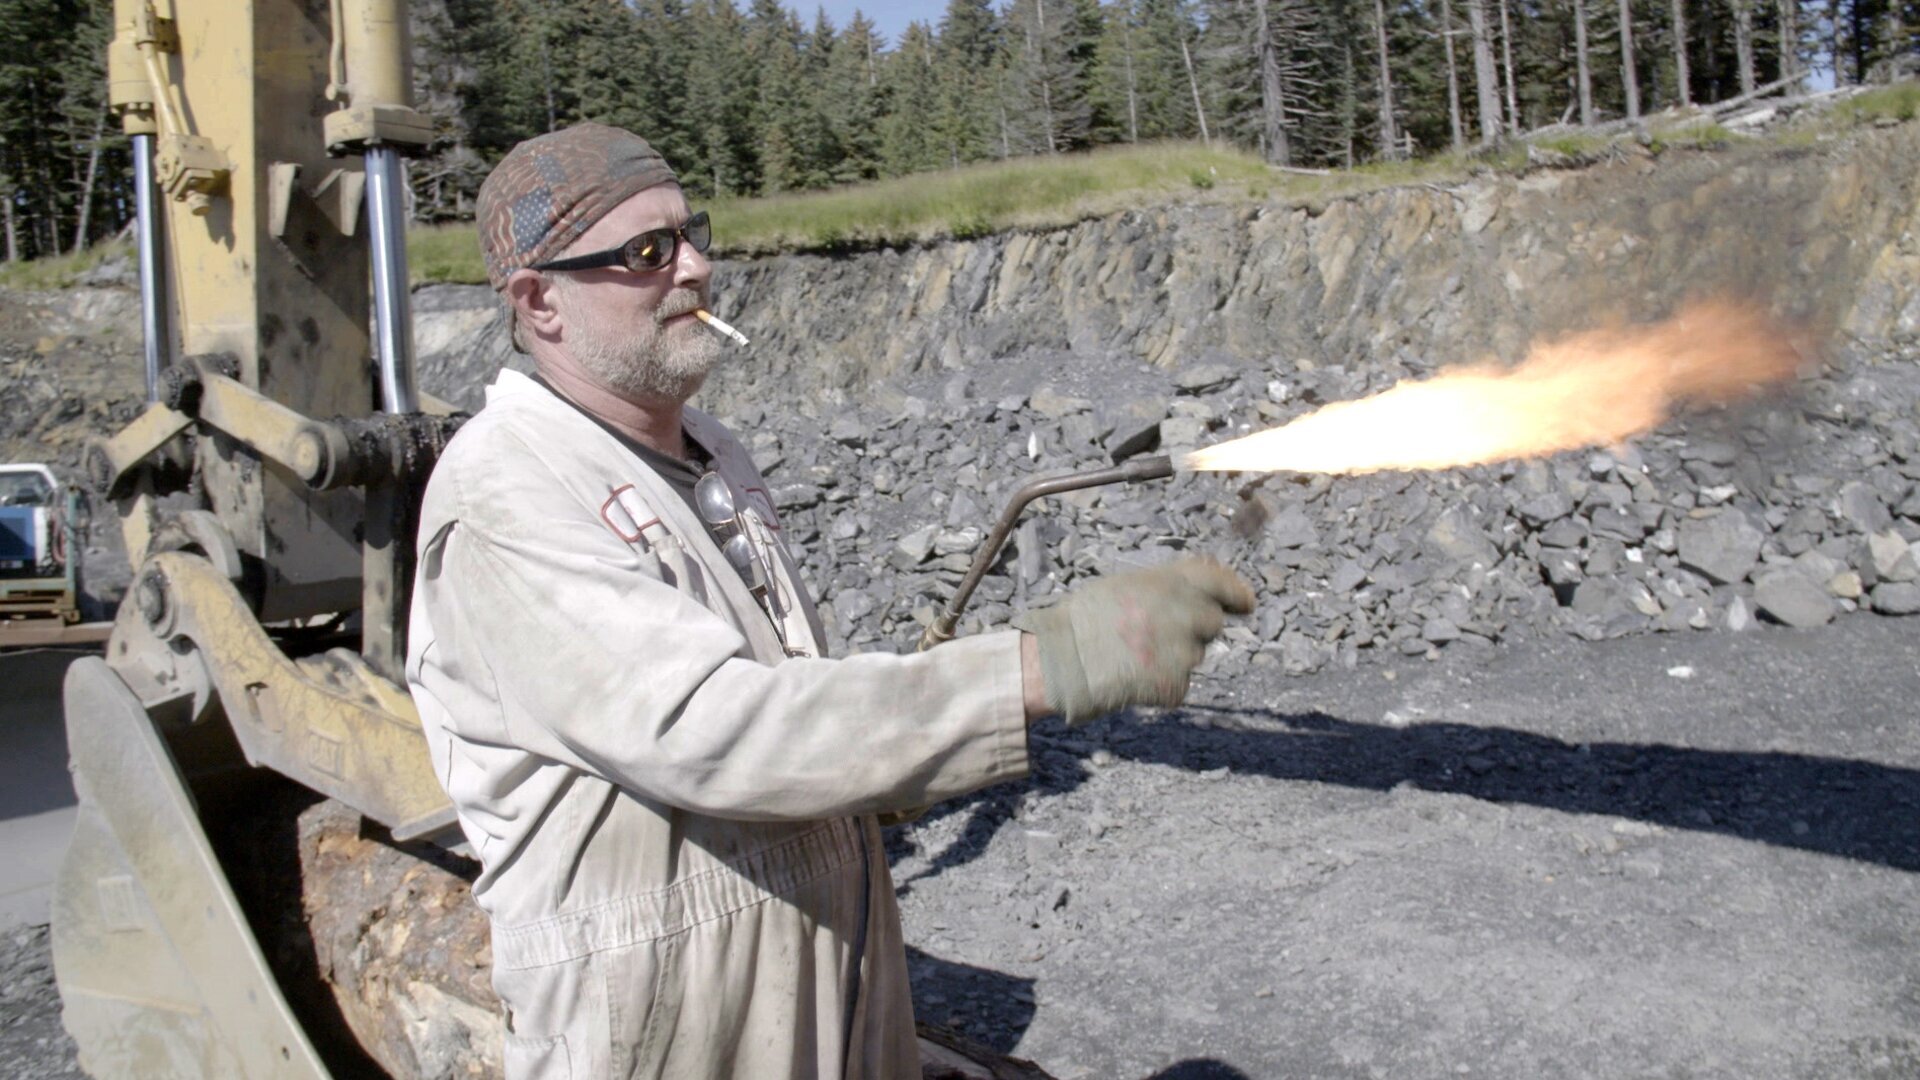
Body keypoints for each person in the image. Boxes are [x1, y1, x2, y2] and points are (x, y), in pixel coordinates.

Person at [405, 122, 1255, 1080]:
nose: (694, 267)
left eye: (693, 233)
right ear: (540, 302)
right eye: (647, 253)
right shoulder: (506, 494)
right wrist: (1040, 664)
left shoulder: (714, 453)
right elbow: (713, 732)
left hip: (820, 977)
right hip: (658, 1028)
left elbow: (795, 693)